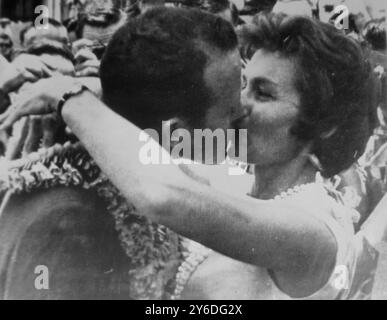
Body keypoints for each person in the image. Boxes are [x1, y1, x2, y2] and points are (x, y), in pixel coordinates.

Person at [1, 9, 379, 299]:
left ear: (323, 123)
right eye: (244, 84)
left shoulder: (315, 229)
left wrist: (70, 97)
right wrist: (110, 93)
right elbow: (159, 135)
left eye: (263, 94)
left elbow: (163, 195)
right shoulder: (233, 176)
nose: (239, 104)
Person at [0, 7, 240, 300]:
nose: (243, 120)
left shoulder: (144, 177)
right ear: (177, 134)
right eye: (231, 115)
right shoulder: (70, 219)